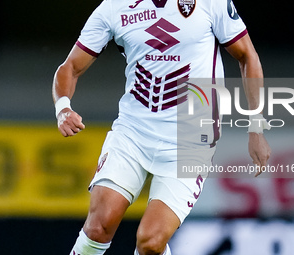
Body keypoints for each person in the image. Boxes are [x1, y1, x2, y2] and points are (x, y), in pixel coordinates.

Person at [52, 0, 271, 254]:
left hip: (191, 139)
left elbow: (247, 55)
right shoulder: (114, 7)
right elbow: (70, 66)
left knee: (150, 242)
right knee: (98, 227)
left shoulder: (211, 2)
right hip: (133, 133)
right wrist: (63, 108)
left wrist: (256, 125)